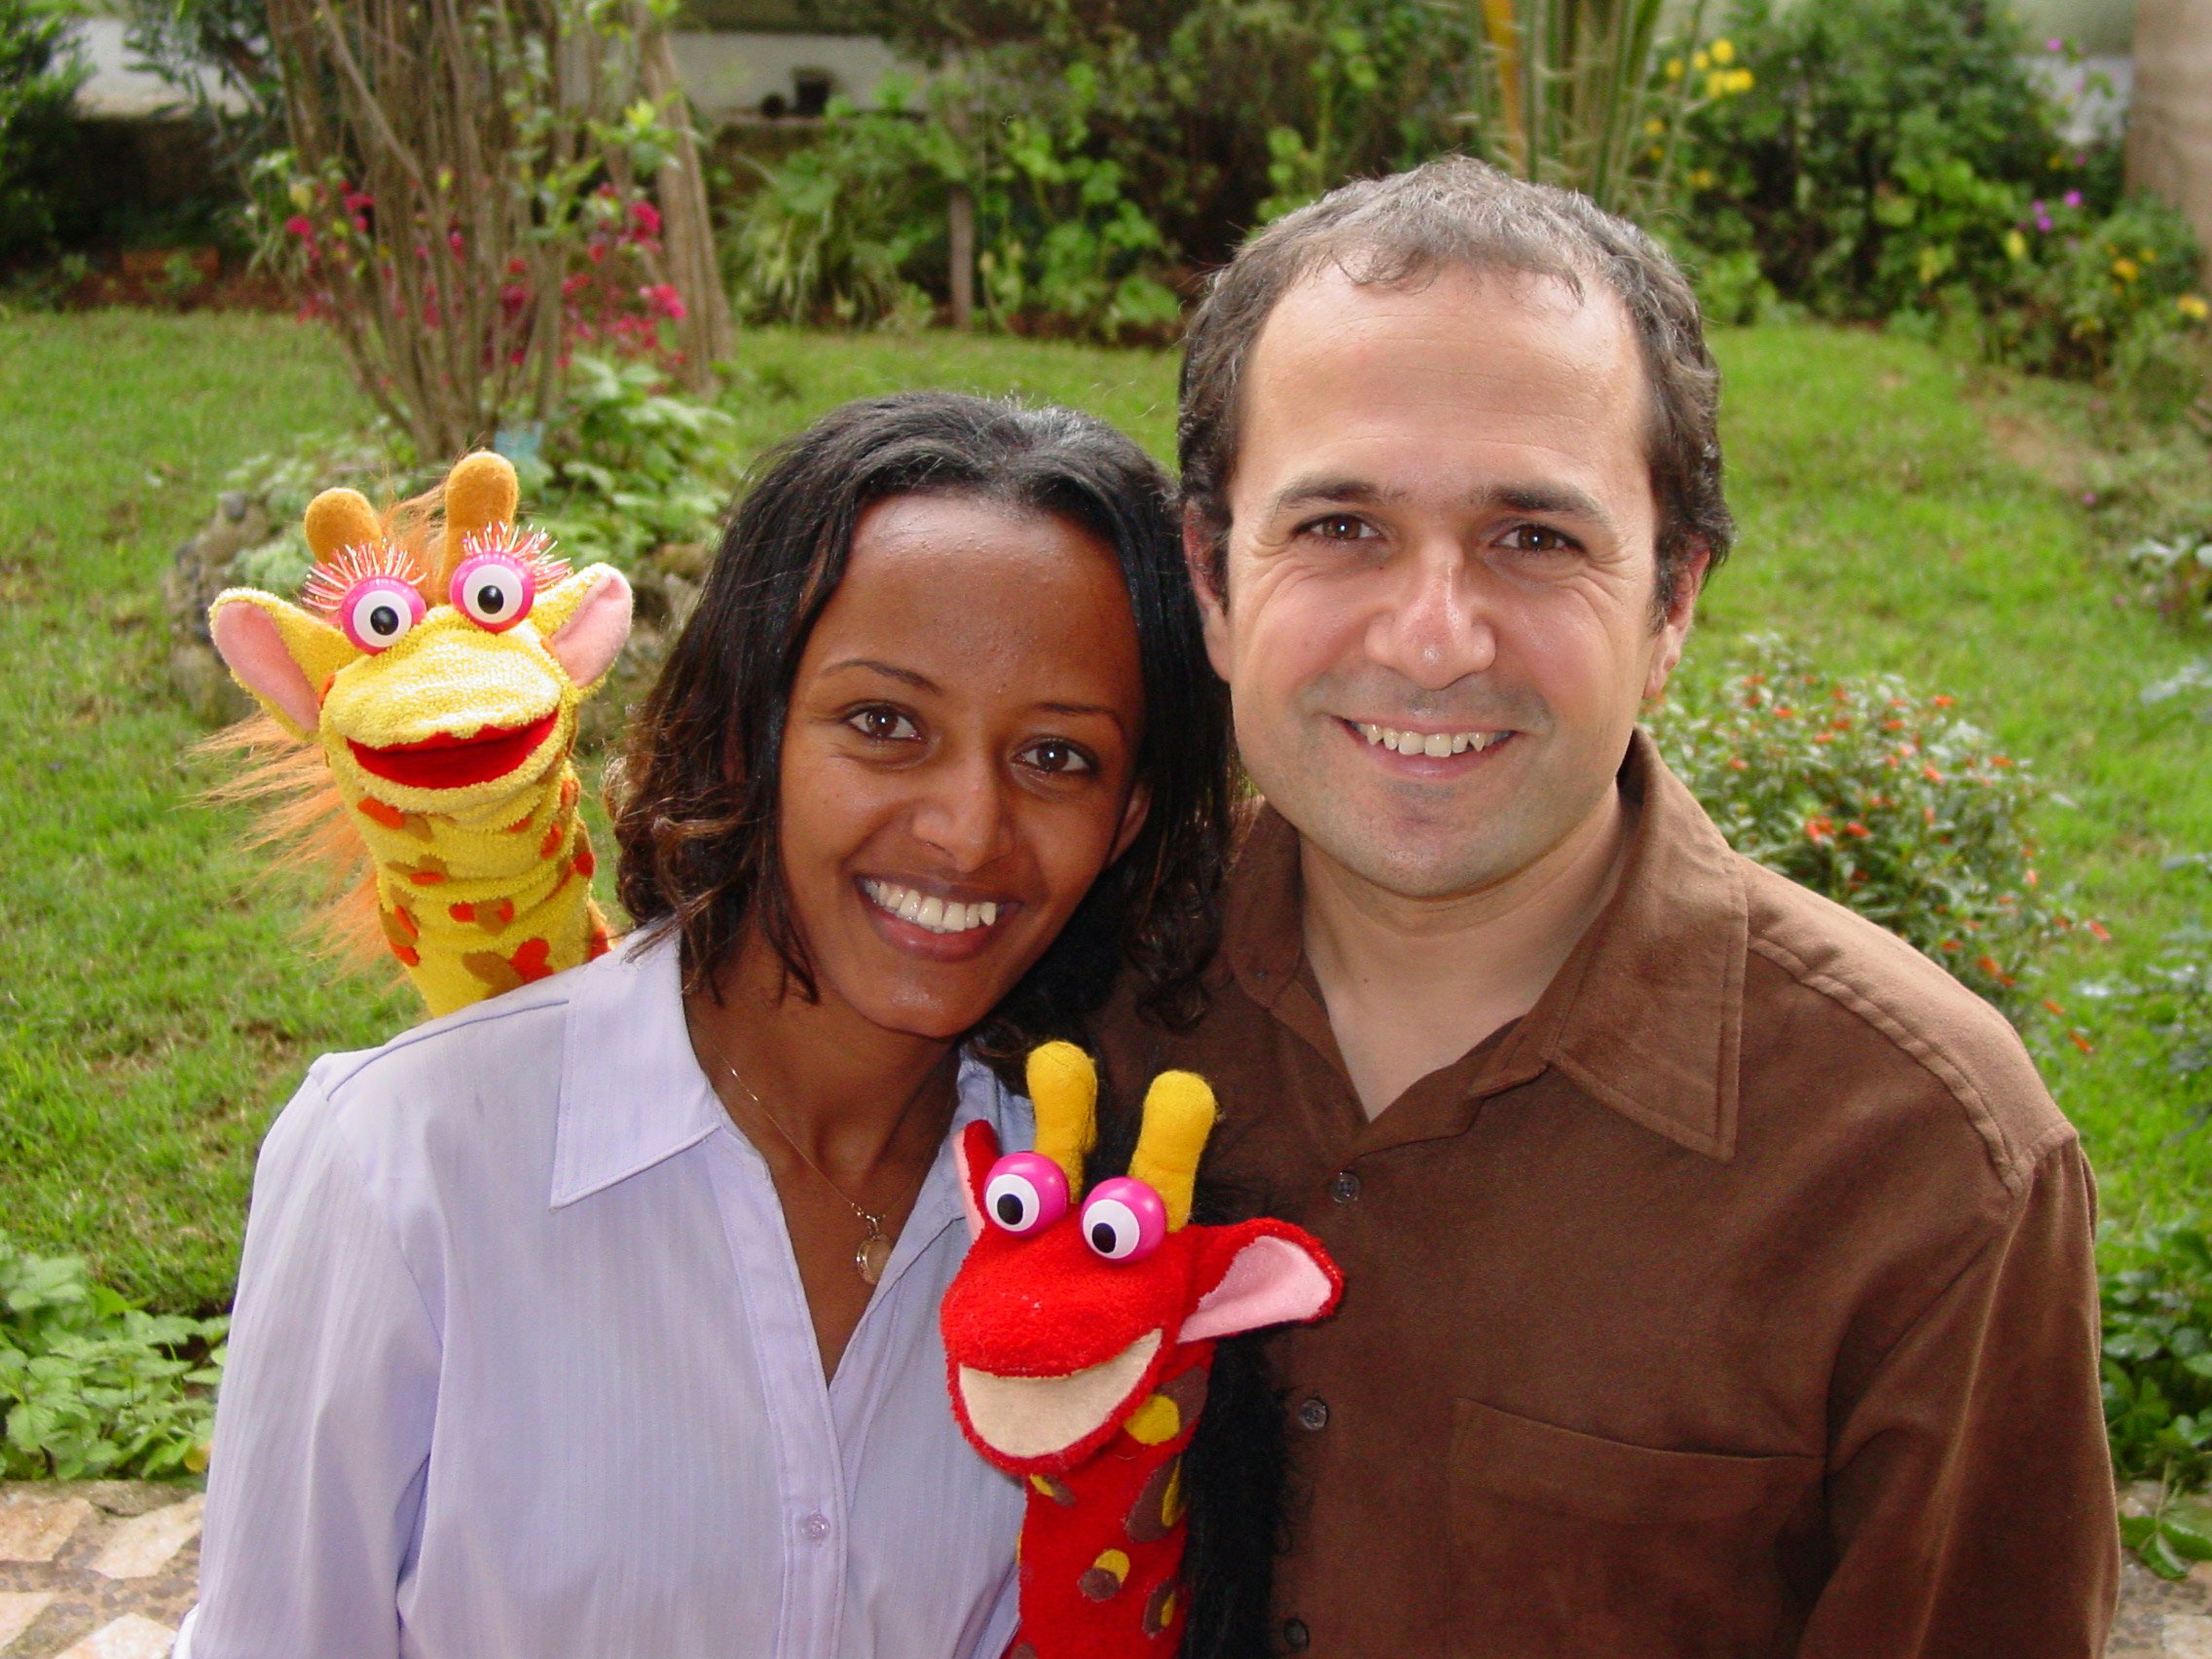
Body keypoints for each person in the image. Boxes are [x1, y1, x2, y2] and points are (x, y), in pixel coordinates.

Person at [1094, 156, 2120, 1655]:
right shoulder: (1076, 992)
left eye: (1537, 539)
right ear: (1209, 578)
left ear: (1674, 605)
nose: (1435, 639)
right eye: (1339, 527)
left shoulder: (1924, 1168)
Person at [178, 392, 1234, 1658]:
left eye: (1058, 757)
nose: (966, 827)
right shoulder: (408, 1168)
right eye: (885, 723)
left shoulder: (1084, 1233)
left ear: (1126, 818)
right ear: (750, 729)